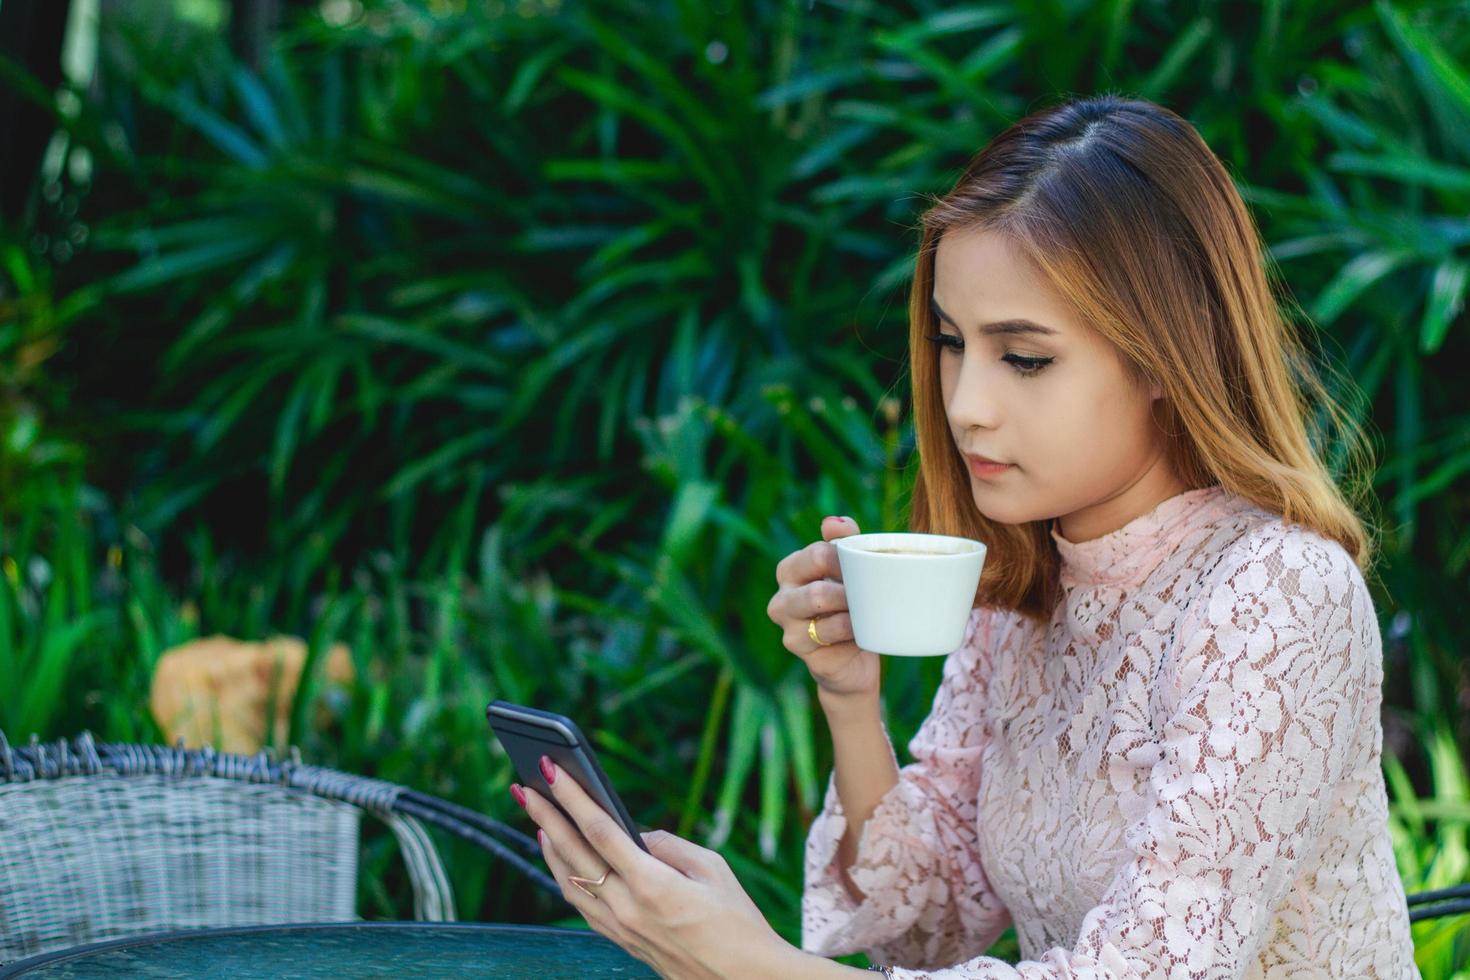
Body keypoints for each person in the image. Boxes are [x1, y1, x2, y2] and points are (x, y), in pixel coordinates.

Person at [514, 93, 1420, 979]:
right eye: (952, 342)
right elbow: (929, 930)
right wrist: (850, 700)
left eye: (1024, 357)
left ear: (1164, 355)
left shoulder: (1278, 592)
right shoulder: (1028, 586)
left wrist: (751, 968)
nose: (965, 406)